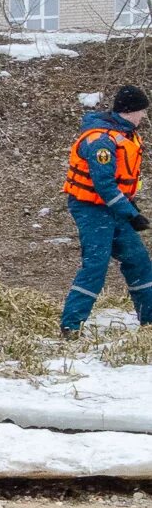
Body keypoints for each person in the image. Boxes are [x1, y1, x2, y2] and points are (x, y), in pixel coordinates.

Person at [60, 84, 152, 336]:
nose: (144, 116)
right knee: (96, 266)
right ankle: (71, 325)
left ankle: (150, 320)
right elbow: (104, 185)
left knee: (139, 261)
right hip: (91, 209)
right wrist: (132, 214)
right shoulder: (100, 141)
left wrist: (130, 207)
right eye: (142, 111)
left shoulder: (126, 136)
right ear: (130, 111)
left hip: (113, 208)